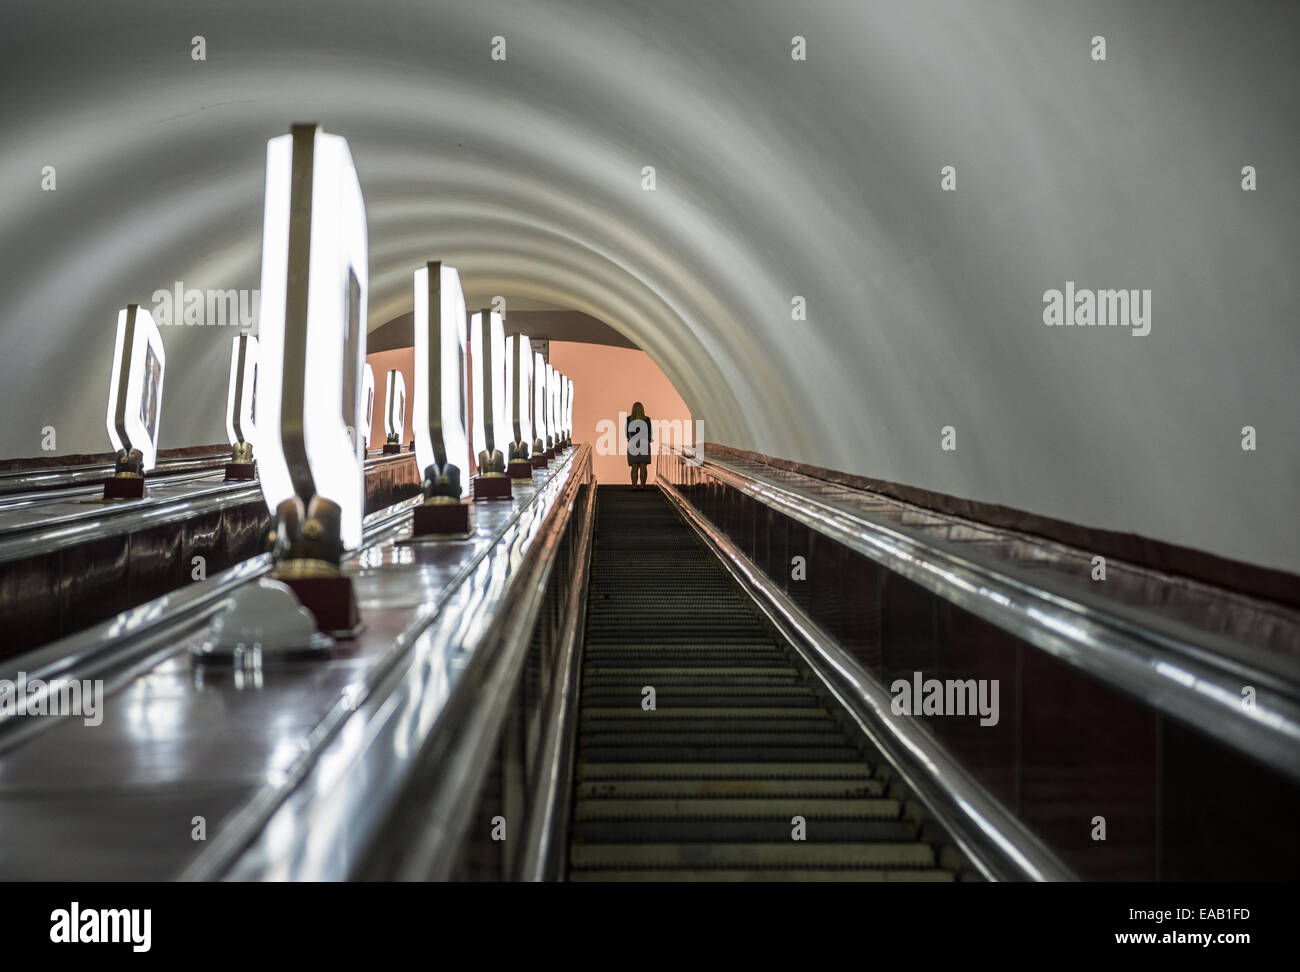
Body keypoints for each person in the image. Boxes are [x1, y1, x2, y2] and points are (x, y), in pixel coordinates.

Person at [626, 402, 652, 488]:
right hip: (644, 442)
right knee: (643, 465)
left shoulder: (629, 419)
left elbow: (627, 433)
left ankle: (634, 486)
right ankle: (642, 486)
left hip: (633, 443)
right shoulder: (647, 419)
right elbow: (650, 433)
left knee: (634, 465)